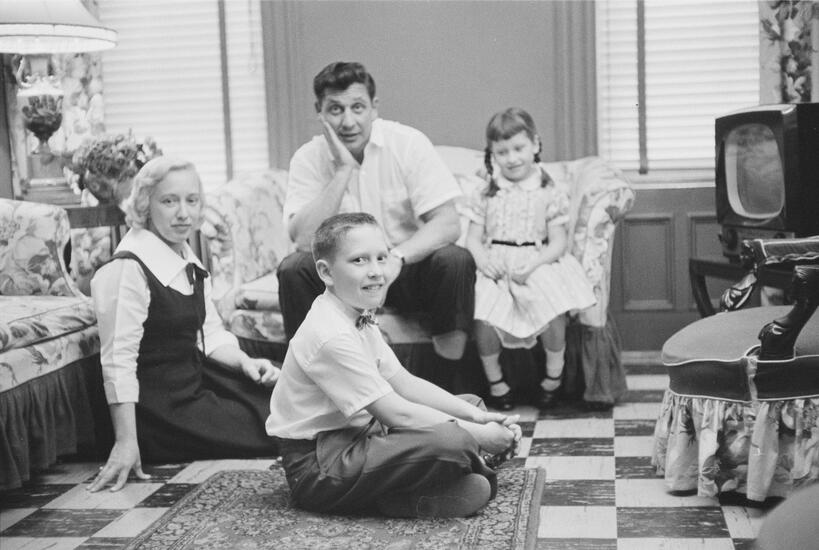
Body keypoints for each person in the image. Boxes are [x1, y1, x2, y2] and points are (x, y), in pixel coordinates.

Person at [268, 212, 522, 518]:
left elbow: (404, 382)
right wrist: (480, 435)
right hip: (320, 464)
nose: (376, 271)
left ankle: (446, 471)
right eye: (359, 260)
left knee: (469, 403)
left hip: (364, 434)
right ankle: (402, 497)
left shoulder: (356, 312)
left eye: (381, 257)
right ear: (326, 272)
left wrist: (479, 418)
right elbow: (396, 412)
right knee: (451, 439)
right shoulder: (329, 334)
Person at [87, 157, 281, 493]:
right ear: (145, 205)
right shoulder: (127, 269)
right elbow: (117, 361)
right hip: (155, 408)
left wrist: (245, 362)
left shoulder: (184, 256)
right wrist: (126, 442)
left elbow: (210, 333)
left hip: (193, 380)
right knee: (279, 428)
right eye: (169, 201)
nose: (183, 213)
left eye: (192, 200)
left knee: (289, 396)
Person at [278, 61, 474, 361]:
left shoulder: (407, 144)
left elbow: (448, 223)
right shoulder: (307, 158)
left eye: (357, 108)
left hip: (402, 269)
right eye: (335, 109)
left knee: (455, 260)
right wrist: (343, 171)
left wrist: (396, 258)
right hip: (342, 277)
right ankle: (318, 376)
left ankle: (449, 373)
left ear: (374, 108)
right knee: (294, 268)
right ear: (320, 112)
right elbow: (304, 240)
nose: (348, 122)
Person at [464, 108, 597, 410]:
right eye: (502, 152)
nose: (511, 158)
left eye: (518, 148)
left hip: (537, 259)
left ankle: (553, 378)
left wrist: (535, 264)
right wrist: (483, 261)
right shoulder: (486, 191)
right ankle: (497, 382)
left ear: (535, 145)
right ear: (492, 154)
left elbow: (558, 241)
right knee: (483, 310)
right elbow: (472, 238)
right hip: (496, 260)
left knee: (552, 306)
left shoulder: (548, 190)